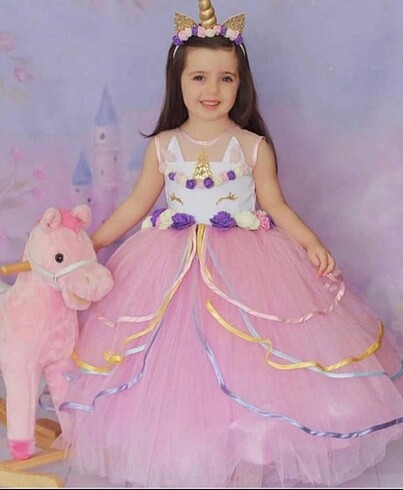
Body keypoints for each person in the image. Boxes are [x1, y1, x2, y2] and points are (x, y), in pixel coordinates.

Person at [59, 1, 403, 487]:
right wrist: (90, 244)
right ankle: (187, 448)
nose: (212, 90)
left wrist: (311, 243)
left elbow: (276, 205)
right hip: (167, 266)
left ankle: (246, 450)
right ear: (178, 81)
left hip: (245, 265)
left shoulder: (251, 145)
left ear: (241, 84)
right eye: (199, 77)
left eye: (226, 78)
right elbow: (136, 204)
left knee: (252, 356)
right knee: (171, 359)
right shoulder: (163, 145)